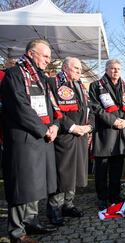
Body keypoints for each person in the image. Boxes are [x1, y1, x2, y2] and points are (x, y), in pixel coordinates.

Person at [1, 39, 60, 242]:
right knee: (22, 186)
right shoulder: (14, 75)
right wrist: (43, 129)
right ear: (32, 53)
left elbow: (51, 106)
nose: (47, 61)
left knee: (35, 185)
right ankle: (17, 232)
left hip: (42, 138)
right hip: (23, 140)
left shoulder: (41, 77)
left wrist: (54, 125)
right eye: (45, 56)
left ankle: (31, 222)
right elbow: (21, 107)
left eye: (49, 57)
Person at [47, 57, 94, 225]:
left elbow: (90, 109)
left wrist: (89, 127)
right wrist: (74, 127)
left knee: (74, 173)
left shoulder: (81, 86)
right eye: (76, 68)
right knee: (63, 173)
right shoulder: (54, 83)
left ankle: (68, 204)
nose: (79, 71)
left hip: (81, 136)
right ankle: (54, 208)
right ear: (65, 68)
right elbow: (56, 110)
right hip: (65, 136)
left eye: (80, 68)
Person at [89, 59, 125, 210]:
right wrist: (114, 121)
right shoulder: (96, 86)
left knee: (117, 168)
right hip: (105, 133)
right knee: (102, 169)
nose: (115, 71)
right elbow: (95, 107)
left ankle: (114, 196)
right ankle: (102, 197)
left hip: (121, 134)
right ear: (107, 69)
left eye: (118, 69)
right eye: (112, 68)